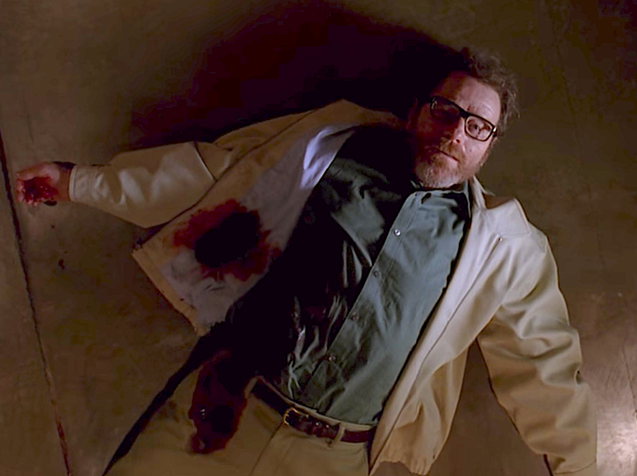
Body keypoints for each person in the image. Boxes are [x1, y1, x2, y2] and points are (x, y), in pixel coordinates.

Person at [15, 48, 597, 476]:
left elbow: (543, 363)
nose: (454, 134)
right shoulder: (331, 145)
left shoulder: (504, 247)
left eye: (476, 127)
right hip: (220, 409)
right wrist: (78, 182)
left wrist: (579, 467)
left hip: (334, 458)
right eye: (445, 110)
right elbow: (208, 174)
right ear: (416, 110)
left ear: (488, 146)